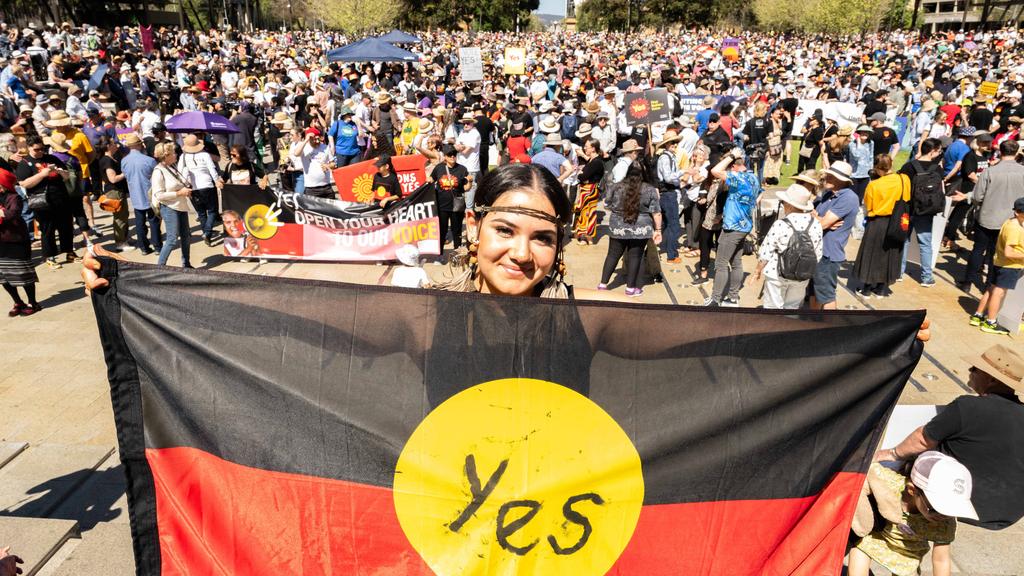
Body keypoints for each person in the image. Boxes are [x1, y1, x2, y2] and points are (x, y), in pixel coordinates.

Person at [877, 343, 1024, 530]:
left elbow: (922, 439)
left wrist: (891, 454)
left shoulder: (968, 407)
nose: (970, 371)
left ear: (992, 380)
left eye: (975, 369)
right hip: (1009, 514)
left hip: (963, 504)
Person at [848, 452, 976, 576]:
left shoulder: (946, 522)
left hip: (908, 553)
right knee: (858, 558)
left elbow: (941, 560)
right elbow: (867, 469)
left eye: (952, 510)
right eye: (937, 508)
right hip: (876, 537)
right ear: (912, 490)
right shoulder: (890, 484)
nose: (943, 516)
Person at [962, 140, 1024, 291]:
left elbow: (977, 197)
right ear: (1016, 153)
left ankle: (967, 282)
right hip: (1010, 221)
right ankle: (989, 285)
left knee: (978, 249)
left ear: (1000, 152)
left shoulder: (989, 172)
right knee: (995, 254)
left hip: (987, 216)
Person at [754, 184, 823, 309]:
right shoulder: (816, 224)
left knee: (773, 308)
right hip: (801, 276)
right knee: (793, 308)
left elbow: (766, 252)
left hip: (777, 273)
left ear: (790, 205)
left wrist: (758, 270)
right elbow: (817, 253)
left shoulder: (781, 224)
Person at [598, 163, 662, 296]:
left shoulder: (616, 187)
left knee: (612, 255)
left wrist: (618, 211)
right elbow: (656, 213)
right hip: (641, 228)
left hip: (618, 227)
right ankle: (630, 289)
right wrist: (658, 230)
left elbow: (606, 204)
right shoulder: (650, 190)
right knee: (635, 257)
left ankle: (603, 285)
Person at [706, 147, 758, 307]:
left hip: (732, 228)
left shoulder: (738, 177)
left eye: (729, 166)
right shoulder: (753, 178)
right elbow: (759, 195)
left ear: (733, 166)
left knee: (721, 264)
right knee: (736, 262)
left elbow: (715, 171)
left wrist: (731, 155)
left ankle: (715, 299)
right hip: (744, 226)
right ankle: (733, 297)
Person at [853, 154, 910, 298]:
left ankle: (866, 288)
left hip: (877, 222)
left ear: (877, 168)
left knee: (871, 254)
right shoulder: (904, 179)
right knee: (890, 254)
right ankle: (881, 288)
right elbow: (907, 198)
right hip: (897, 221)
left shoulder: (873, 185)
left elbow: (868, 206)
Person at [15, 134, 76, 269]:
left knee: (66, 227)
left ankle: (69, 252)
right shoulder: (25, 164)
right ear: (29, 148)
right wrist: (42, 174)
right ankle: (50, 256)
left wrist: (60, 172)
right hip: (41, 202)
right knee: (47, 230)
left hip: (60, 198)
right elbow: (24, 183)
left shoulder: (51, 158)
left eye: (42, 148)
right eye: (37, 149)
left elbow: (67, 177)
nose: (40, 151)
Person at [968, 196, 1024, 335]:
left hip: (999, 262)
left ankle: (978, 315)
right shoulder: (1015, 228)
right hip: (1009, 266)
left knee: (991, 290)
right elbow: (1009, 252)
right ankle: (990, 322)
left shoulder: (1009, 222)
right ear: (1017, 212)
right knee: (999, 293)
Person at [812, 161, 859, 309]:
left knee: (826, 296)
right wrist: (817, 217)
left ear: (843, 181)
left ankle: (830, 327)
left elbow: (821, 224)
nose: (827, 178)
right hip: (816, 251)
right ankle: (811, 325)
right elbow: (810, 215)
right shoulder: (828, 193)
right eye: (828, 174)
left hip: (828, 255)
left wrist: (818, 219)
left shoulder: (848, 197)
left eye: (832, 176)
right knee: (813, 292)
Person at [0, 167, 39, 316]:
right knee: (3, 276)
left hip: (16, 240)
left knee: (23, 274)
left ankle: (33, 302)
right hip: (1, 242)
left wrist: (2, 213)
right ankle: (17, 301)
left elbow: (13, 213)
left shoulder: (14, 197)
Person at [151, 142, 193, 268]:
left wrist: (185, 189)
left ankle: (186, 264)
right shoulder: (158, 172)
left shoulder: (171, 167)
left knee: (186, 236)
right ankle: (160, 267)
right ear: (166, 155)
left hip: (180, 206)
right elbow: (159, 195)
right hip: (169, 208)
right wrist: (179, 193)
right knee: (172, 239)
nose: (176, 155)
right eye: (174, 152)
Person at [177, 134, 222, 246]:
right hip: (207, 185)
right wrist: (216, 180)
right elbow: (212, 169)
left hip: (193, 187)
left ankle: (206, 232)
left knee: (201, 213)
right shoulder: (205, 155)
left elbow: (179, 171)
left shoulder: (183, 157)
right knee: (212, 211)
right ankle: (207, 232)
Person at [120, 133, 161, 255]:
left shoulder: (124, 161)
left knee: (139, 222)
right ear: (139, 145)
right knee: (154, 221)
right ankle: (157, 247)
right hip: (150, 195)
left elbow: (126, 176)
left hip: (135, 195)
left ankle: (143, 247)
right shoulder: (149, 160)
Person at [428, 145, 470, 257]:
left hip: (457, 206)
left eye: (454, 154)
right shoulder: (439, 168)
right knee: (442, 231)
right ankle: (440, 255)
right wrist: (427, 180)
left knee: (457, 232)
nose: (452, 157)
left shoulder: (462, 169)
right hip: (442, 206)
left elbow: (466, 188)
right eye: (449, 155)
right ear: (445, 157)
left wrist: (470, 182)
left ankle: (457, 255)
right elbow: (431, 180)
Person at [97, 135, 132, 251]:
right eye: (113, 144)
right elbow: (113, 179)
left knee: (123, 216)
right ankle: (120, 243)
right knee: (120, 218)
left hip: (117, 191)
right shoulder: (107, 160)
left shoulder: (110, 159)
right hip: (114, 191)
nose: (116, 145)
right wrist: (125, 173)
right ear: (108, 146)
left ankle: (124, 239)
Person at [655, 134, 684, 262]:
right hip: (668, 193)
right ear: (666, 144)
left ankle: (666, 248)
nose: (674, 145)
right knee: (673, 224)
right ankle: (672, 255)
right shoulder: (665, 158)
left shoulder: (670, 157)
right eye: (672, 142)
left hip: (669, 192)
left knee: (667, 224)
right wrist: (683, 172)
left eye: (676, 142)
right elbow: (668, 177)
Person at [572, 138, 604, 245]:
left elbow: (583, 176)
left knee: (586, 213)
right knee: (586, 213)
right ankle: (586, 237)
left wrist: (580, 173)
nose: (584, 148)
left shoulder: (596, 162)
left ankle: (585, 237)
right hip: (588, 189)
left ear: (593, 148)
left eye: (587, 146)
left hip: (589, 189)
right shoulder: (593, 160)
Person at [291, 127, 334, 199]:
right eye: (314, 139)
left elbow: (333, 164)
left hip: (326, 186)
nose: (317, 141)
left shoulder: (325, 147)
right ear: (309, 139)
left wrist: (328, 165)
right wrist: (306, 140)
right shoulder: (304, 147)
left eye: (318, 139)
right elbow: (296, 153)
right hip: (311, 188)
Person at [455, 113, 481, 209]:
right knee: (460, 186)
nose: (465, 125)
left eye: (468, 123)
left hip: (471, 166)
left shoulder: (475, 134)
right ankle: (463, 208)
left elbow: (466, 151)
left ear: (472, 123)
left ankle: (469, 209)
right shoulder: (462, 132)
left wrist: (461, 146)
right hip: (461, 164)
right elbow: (456, 146)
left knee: (470, 187)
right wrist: (461, 146)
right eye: (464, 123)